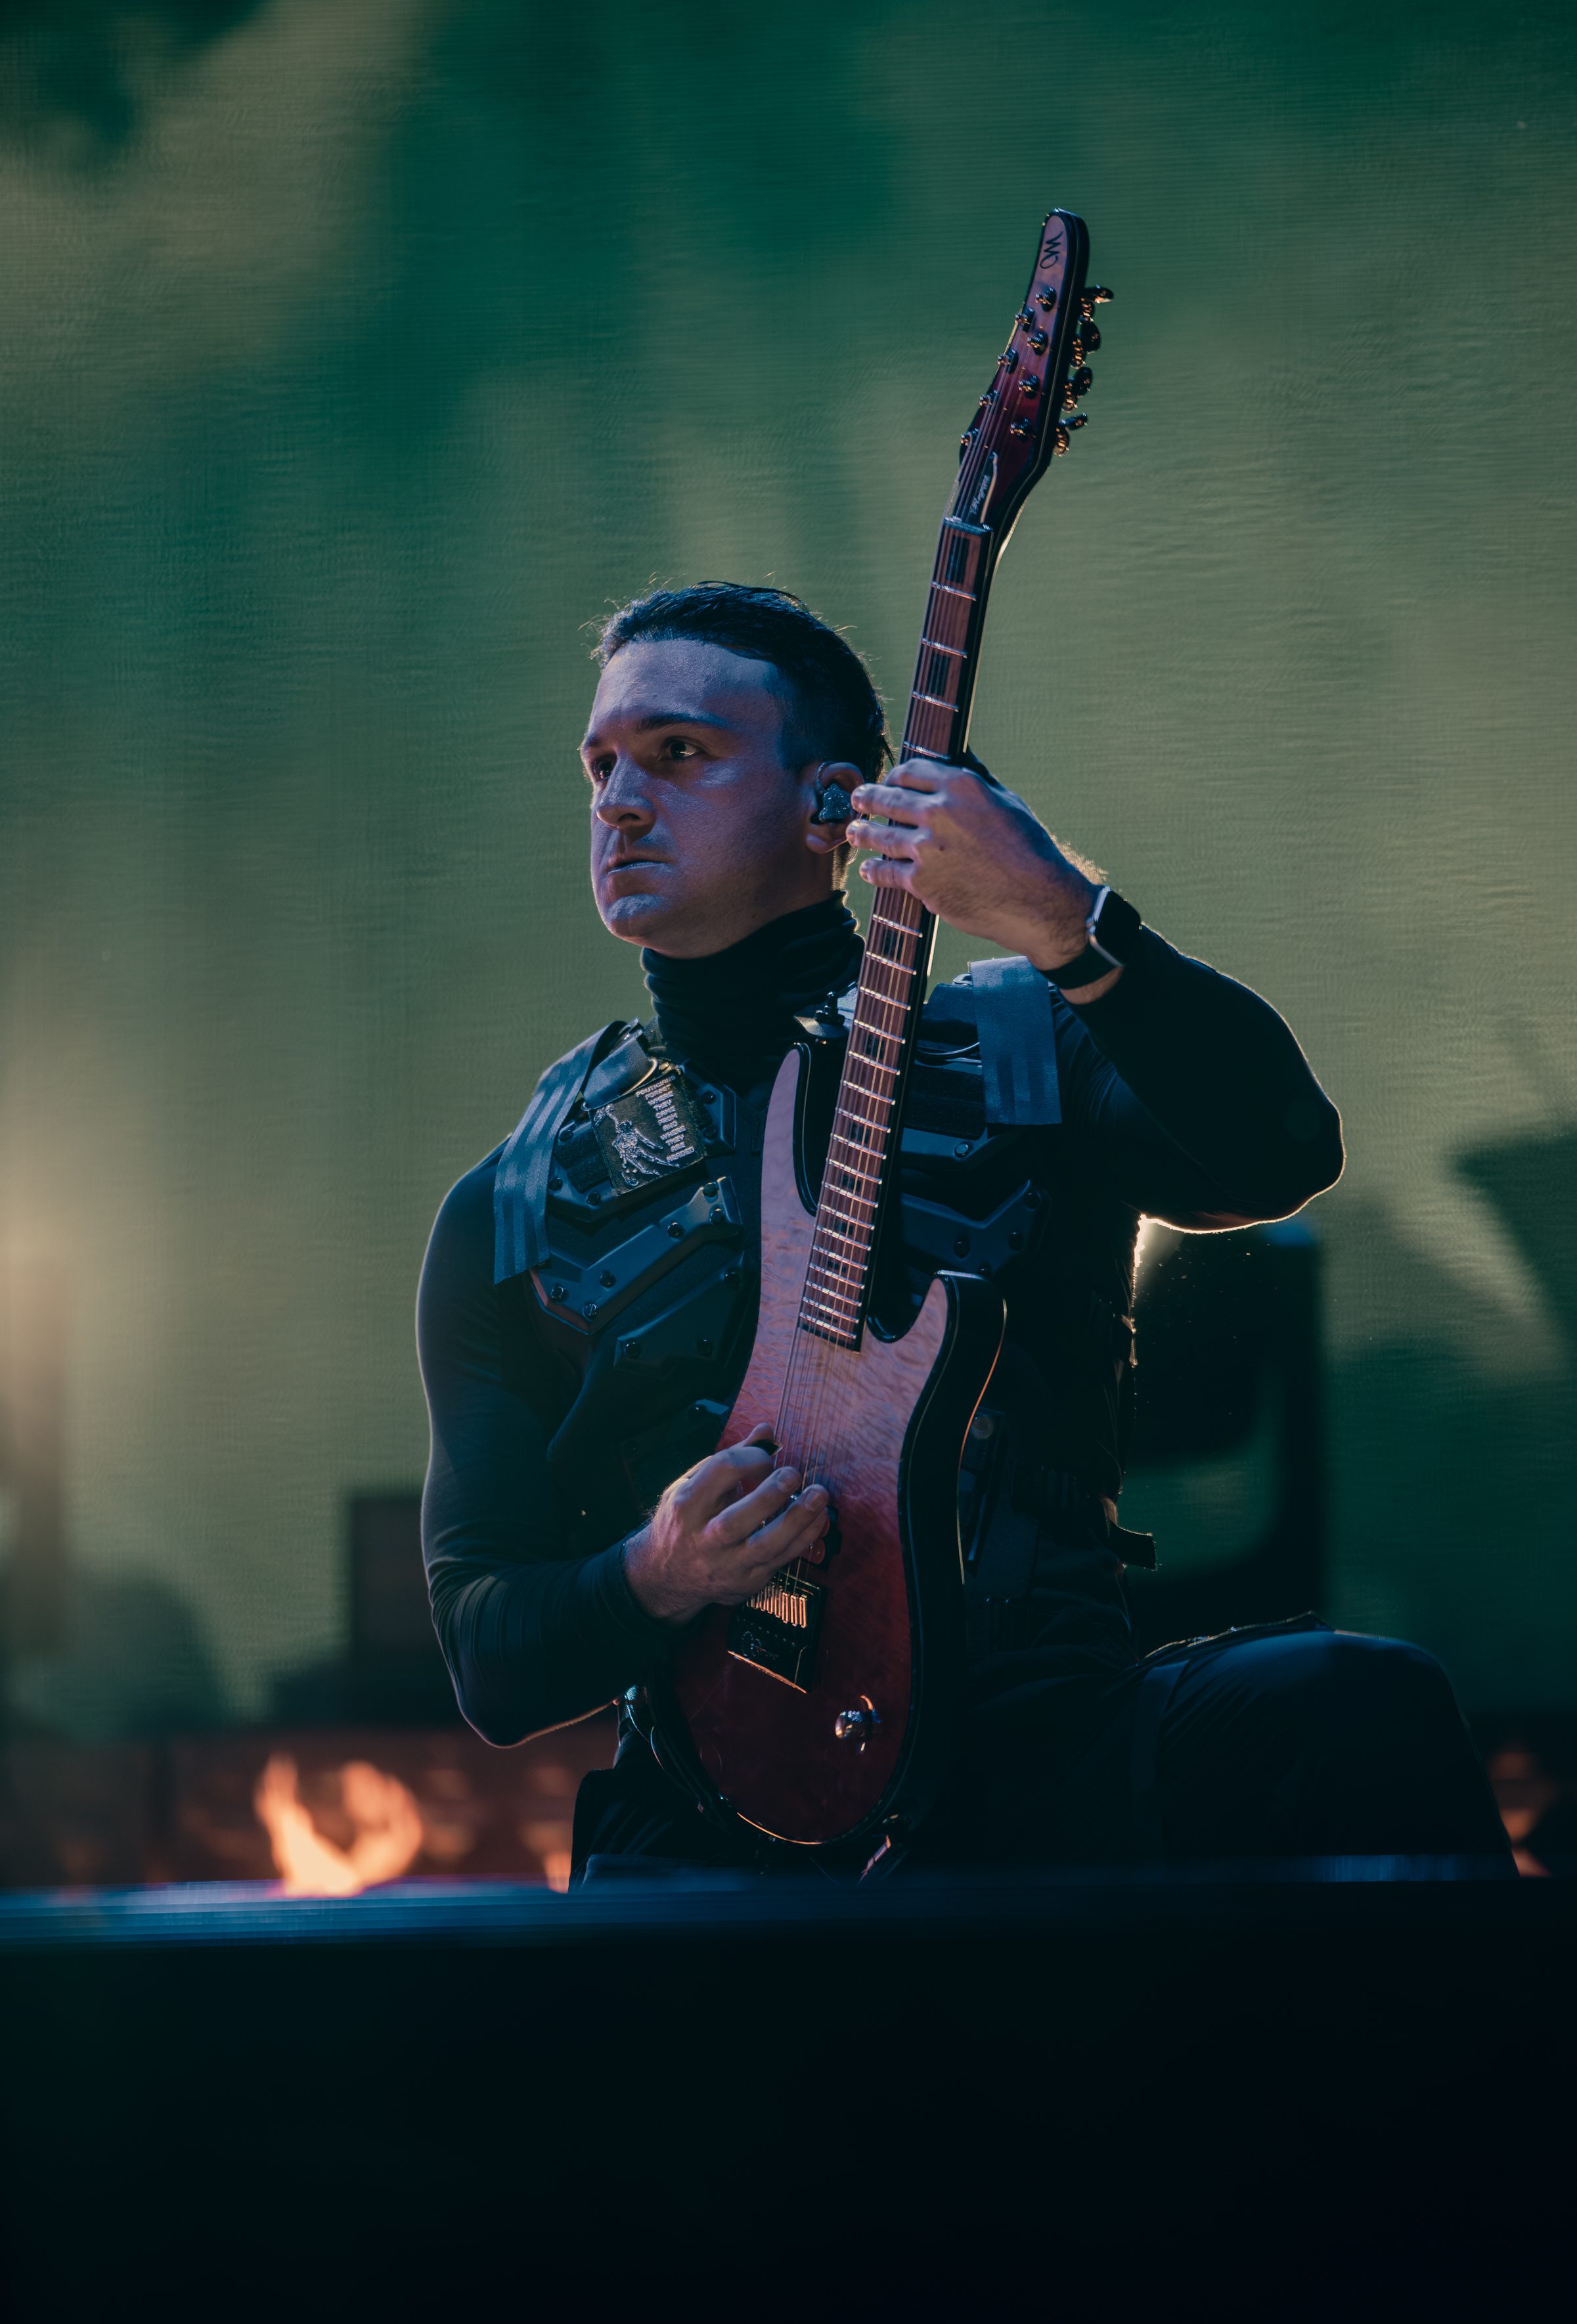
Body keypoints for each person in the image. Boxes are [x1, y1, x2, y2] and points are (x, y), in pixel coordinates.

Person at [416, 582, 1511, 1875]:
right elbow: (489, 1652)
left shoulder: (1030, 1049)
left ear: (836, 802)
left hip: (1056, 1772)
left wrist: (1069, 925)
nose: (618, 799)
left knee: (1355, 1713)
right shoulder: (520, 1192)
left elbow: (1278, 1149)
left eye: (678, 754)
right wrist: (654, 1574)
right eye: (601, 763)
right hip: (711, 1832)